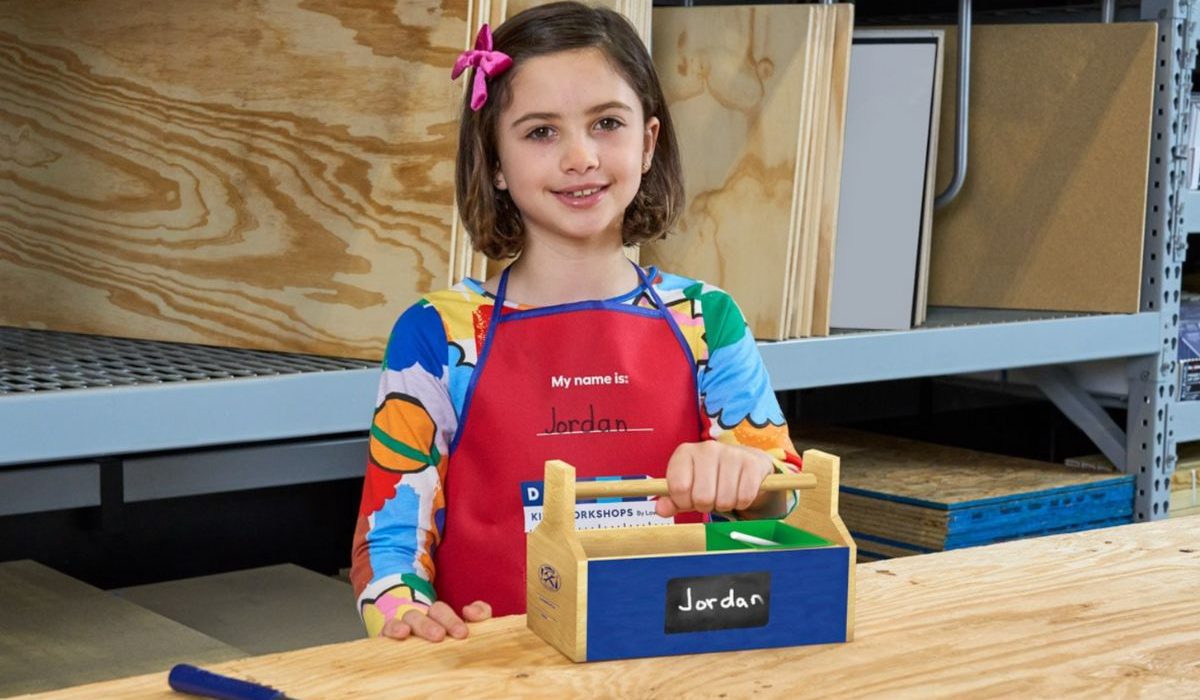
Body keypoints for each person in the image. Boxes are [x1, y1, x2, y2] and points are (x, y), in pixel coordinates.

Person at [350, 1, 803, 643]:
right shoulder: (436, 335)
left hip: (678, 660)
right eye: (540, 132)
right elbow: (388, 541)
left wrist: (750, 482)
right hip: (493, 675)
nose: (580, 157)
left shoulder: (710, 322)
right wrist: (406, 617)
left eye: (606, 123)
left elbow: (787, 506)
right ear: (496, 161)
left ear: (647, 144)